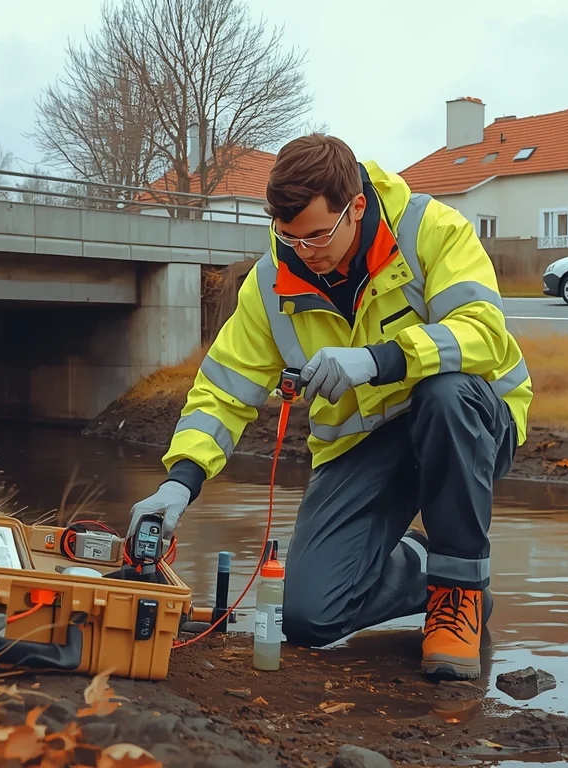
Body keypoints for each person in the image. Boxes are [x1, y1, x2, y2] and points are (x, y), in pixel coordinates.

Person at [128, 134, 532, 680]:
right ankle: (422, 567)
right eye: (288, 236)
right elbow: (223, 389)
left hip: (472, 423)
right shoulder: (271, 283)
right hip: (363, 446)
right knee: (308, 617)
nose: (304, 251)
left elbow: (483, 335)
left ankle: (458, 594)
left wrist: (377, 359)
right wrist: (180, 482)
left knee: (445, 393)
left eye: (317, 235)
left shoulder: (431, 231)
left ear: (356, 207)